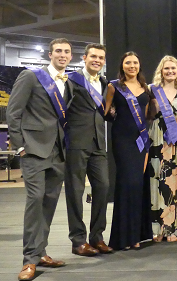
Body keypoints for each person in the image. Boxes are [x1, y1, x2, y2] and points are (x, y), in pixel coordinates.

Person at [7, 38, 73, 281]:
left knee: (49, 203)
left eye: (67, 52)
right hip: (34, 150)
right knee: (35, 201)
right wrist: (20, 146)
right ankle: (28, 261)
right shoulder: (31, 77)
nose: (63, 55)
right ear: (50, 54)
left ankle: (40, 252)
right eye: (58, 51)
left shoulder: (69, 82)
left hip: (58, 152)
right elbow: (13, 112)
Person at [64, 43, 113, 256]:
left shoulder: (104, 83)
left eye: (101, 58)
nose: (97, 60)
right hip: (76, 143)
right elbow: (61, 109)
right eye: (93, 56)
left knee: (103, 187)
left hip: (99, 143)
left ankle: (97, 237)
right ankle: (78, 241)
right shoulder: (72, 80)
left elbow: (104, 112)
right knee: (75, 192)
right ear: (84, 58)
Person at [104, 51, 154, 250]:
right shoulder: (113, 86)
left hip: (140, 140)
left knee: (138, 185)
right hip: (122, 140)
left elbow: (148, 115)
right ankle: (122, 237)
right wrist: (115, 112)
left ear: (139, 65)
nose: (132, 66)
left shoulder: (146, 88)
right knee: (126, 184)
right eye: (128, 63)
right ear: (122, 65)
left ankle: (137, 236)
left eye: (135, 62)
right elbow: (106, 111)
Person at [148, 55, 177, 242]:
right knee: (157, 181)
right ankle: (157, 228)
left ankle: (171, 228)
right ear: (161, 71)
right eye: (167, 68)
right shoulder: (152, 90)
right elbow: (147, 115)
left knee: (175, 181)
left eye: (173, 68)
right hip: (158, 139)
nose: (170, 71)